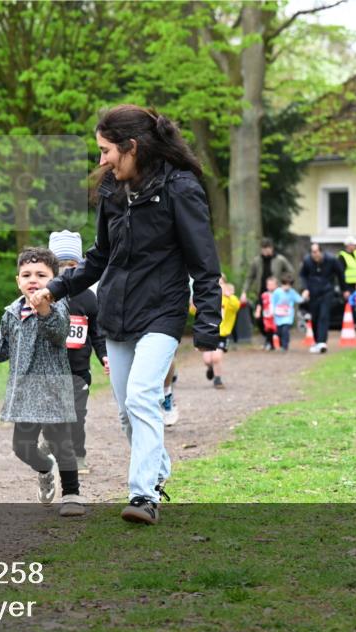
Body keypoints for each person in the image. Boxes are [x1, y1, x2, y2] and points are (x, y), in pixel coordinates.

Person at [32, 104, 222, 526]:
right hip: (116, 312)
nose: (101, 160)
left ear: (131, 146)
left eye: (106, 151)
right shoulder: (112, 190)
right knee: (125, 411)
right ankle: (156, 471)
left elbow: (204, 263)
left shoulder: (181, 188)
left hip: (162, 312)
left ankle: (144, 495)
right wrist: (57, 286)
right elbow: (101, 256)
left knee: (141, 398)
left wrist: (209, 325)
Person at [0, 247, 84, 517]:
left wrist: (44, 310)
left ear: (54, 281)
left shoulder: (59, 307)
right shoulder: (12, 313)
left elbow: (59, 333)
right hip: (25, 392)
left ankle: (72, 493)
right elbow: (3, 345)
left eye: (41, 275)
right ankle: (44, 467)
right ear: (18, 280)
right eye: (26, 274)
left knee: (62, 441)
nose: (33, 280)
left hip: (53, 390)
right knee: (22, 447)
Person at [48, 230, 108, 475]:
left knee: (77, 416)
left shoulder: (90, 298)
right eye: (59, 265)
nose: (65, 271)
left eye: (71, 265)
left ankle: (78, 456)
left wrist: (104, 355)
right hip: (49, 369)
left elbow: (97, 332)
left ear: (81, 265)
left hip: (79, 370)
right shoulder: (45, 298)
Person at [242, 238, 295, 343]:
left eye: (268, 249)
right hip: (262, 294)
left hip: (277, 294)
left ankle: (274, 340)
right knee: (259, 318)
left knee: (276, 317)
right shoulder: (257, 261)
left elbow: (290, 271)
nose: (266, 251)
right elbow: (250, 277)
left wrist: (284, 283)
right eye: (264, 249)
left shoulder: (280, 260)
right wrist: (244, 291)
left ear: (271, 248)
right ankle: (268, 337)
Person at [299, 242, 345, 354]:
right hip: (313, 292)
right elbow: (303, 275)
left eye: (316, 252)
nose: (314, 254)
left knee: (324, 315)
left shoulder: (331, 260)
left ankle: (322, 342)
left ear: (321, 252)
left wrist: (344, 289)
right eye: (312, 252)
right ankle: (317, 341)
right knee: (314, 317)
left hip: (327, 291)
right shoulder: (307, 261)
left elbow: (340, 274)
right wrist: (305, 288)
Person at [201, 275, 240, 388]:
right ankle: (210, 368)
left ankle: (218, 380)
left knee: (216, 357)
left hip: (222, 334)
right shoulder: (208, 298)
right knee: (207, 360)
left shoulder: (230, 299)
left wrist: (229, 296)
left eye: (221, 283)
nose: (218, 286)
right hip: (208, 332)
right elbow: (196, 311)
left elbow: (237, 306)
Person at [271, 274, 304, 352]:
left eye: (289, 285)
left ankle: (285, 346)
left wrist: (304, 297)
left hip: (287, 316)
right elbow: (273, 302)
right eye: (285, 285)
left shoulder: (292, 292)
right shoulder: (277, 292)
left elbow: (299, 299)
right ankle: (281, 344)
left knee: (285, 330)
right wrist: (272, 311)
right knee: (279, 332)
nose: (287, 287)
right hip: (278, 316)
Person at [255, 275, 279, 350]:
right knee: (268, 329)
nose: (270, 286)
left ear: (276, 285)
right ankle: (269, 343)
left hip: (277, 316)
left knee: (276, 330)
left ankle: (279, 344)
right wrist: (258, 311)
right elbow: (260, 304)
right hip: (267, 316)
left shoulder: (279, 294)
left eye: (272, 284)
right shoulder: (264, 295)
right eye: (268, 284)